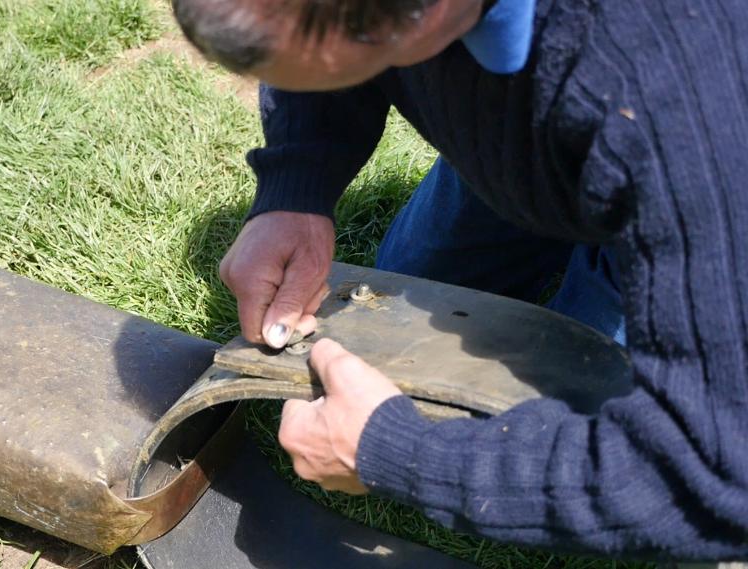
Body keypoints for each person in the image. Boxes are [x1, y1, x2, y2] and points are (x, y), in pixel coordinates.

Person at [172, 0, 748, 563]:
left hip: (695, 162)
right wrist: (295, 189)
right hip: (541, 129)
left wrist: (399, 455)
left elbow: (715, 476)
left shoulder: (684, 87)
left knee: (570, 393)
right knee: (396, 333)